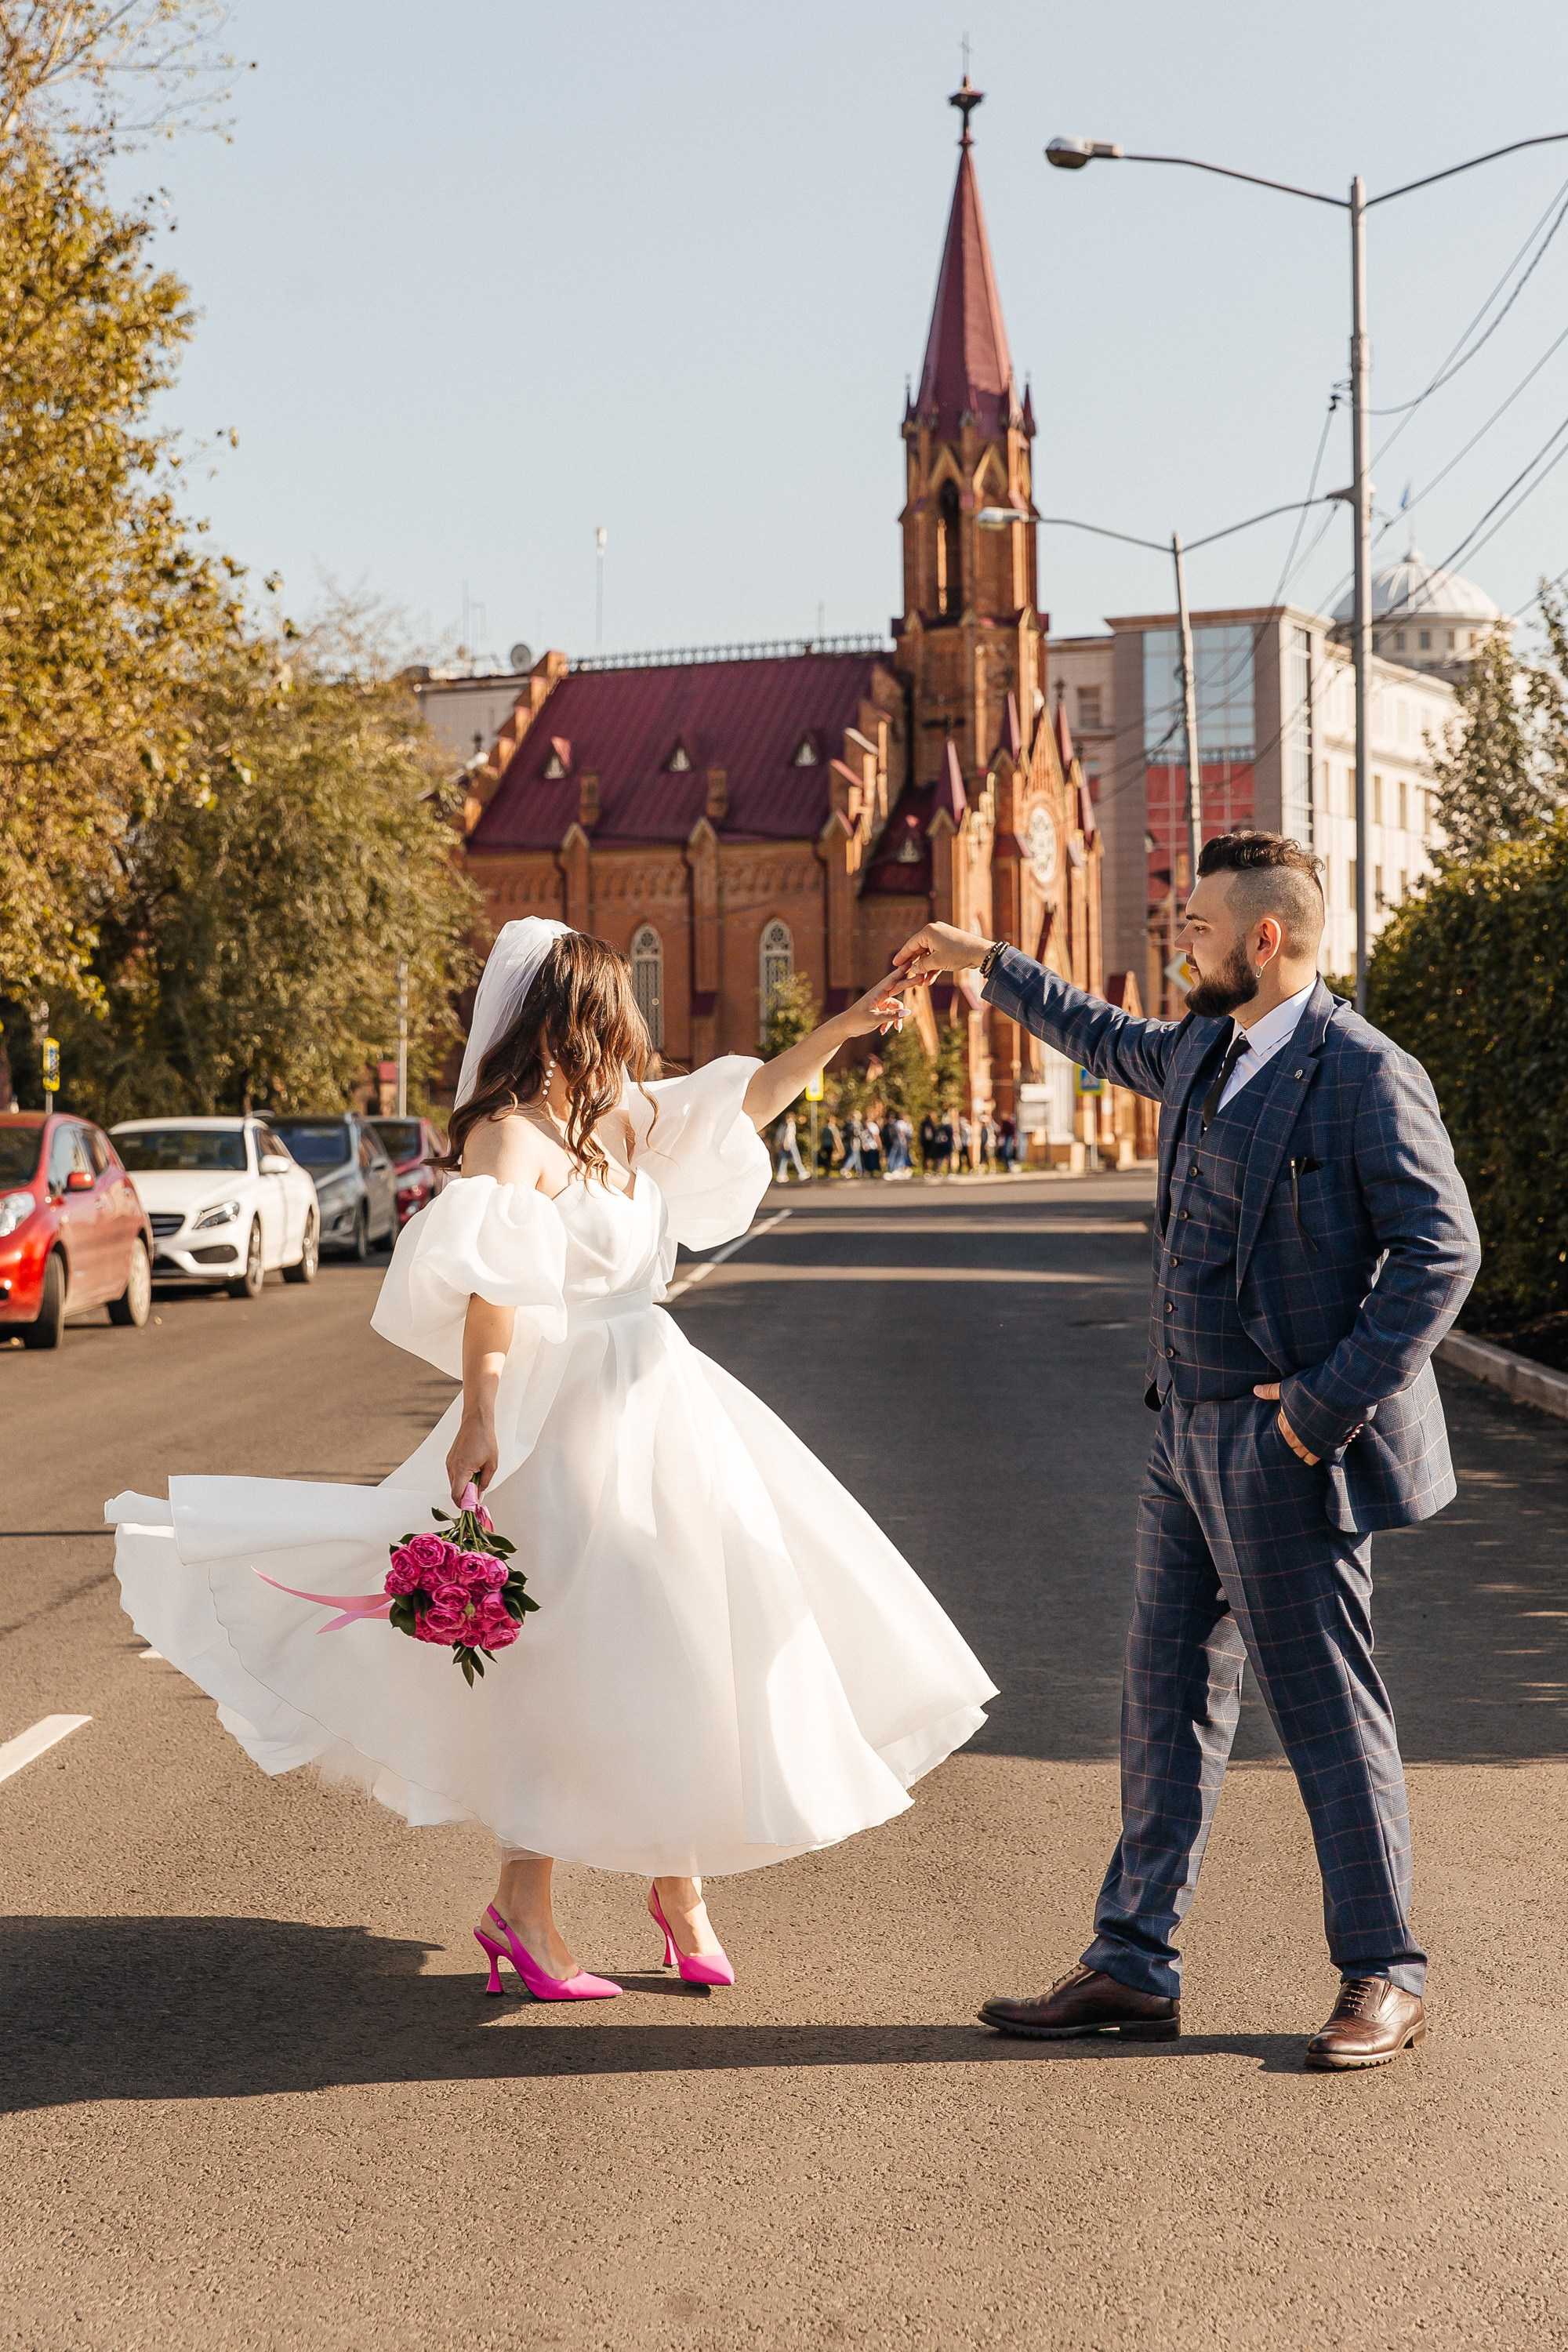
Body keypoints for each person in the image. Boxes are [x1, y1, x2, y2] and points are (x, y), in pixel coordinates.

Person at [110, 924, 994, 2002]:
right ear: (565, 1018)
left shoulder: (622, 1114)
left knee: (679, 1637)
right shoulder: (511, 1138)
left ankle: (671, 1889)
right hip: (567, 1417)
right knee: (584, 1653)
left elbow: (749, 1097)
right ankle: (531, 1905)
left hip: (662, 1400)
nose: (627, 1032)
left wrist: (846, 1028)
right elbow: (494, 1288)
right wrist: (480, 1415)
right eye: (609, 1015)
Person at [895, 831, 1479, 2071]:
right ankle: (1133, 1963)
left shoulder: (1362, 1072)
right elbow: (1093, 1027)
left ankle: (1385, 1972)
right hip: (1183, 1435)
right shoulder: (1206, 1047)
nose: (1182, 942)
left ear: (1266, 939)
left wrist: (1319, 1408)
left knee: (1326, 1711)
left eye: (1200, 927)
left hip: (1287, 1446)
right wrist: (980, 959)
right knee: (1163, 1702)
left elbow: (1443, 1253)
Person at [774, 1110, 809, 1184]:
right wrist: (786, 1144)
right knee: (796, 1158)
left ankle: (781, 1174)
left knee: (784, 1159)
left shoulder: (783, 1125)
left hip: (785, 1144)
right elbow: (787, 1135)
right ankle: (802, 1172)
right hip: (790, 1144)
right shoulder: (791, 1125)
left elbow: (779, 1135)